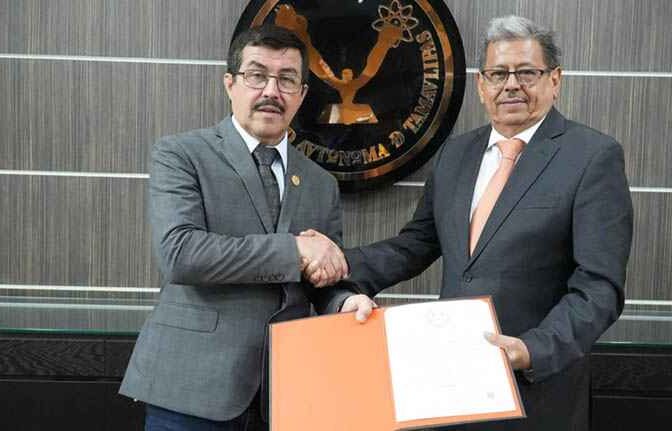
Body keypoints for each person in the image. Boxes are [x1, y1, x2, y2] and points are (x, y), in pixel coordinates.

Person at [314, 15, 633, 431]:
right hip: (453, 387)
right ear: (482, 85)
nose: (511, 85)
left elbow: (599, 287)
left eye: (527, 72)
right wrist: (336, 264)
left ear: (555, 80)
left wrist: (531, 350)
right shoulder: (456, 154)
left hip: (535, 391)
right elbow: (416, 244)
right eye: (498, 74)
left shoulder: (592, 156)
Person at [119, 24, 372, 431]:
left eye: (287, 79)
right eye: (257, 75)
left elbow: (318, 278)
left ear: (302, 94)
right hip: (192, 390)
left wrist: (343, 301)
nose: (272, 91)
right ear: (230, 84)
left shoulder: (321, 183)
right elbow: (182, 255)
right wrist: (294, 250)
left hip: (285, 395)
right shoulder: (181, 154)